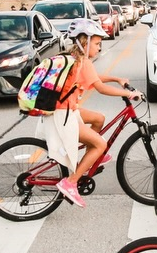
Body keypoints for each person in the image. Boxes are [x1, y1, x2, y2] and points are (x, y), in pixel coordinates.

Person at [50, 18, 142, 209]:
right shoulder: (82, 62)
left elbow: (94, 78)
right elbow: (100, 88)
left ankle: (86, 158)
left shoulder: (77, 60)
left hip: (66, 110)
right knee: (101, 144)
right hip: (64, 115)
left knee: (98, 119)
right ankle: (70, 182)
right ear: (85, 42)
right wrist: (128, 93)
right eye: (97, 43)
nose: (100, 48)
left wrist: (116, 78)